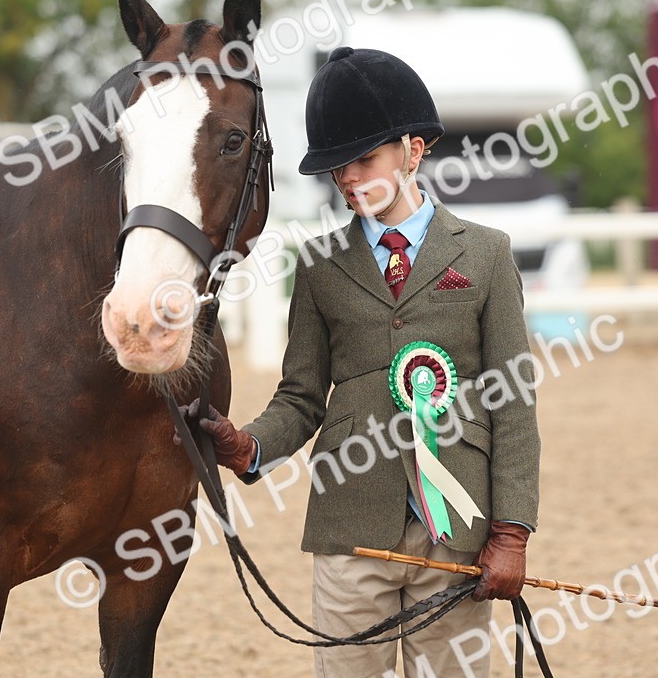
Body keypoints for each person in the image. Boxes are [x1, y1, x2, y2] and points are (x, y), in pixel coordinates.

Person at [186, 46, 540, 677]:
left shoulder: (485, 256)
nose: (347, 179)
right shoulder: (320, 267)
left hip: (458, 528)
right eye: (336, 170)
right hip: (350, 527)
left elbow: (512, 401)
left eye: (362, 161)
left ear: (413, 149)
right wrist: (249, 446)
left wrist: (511, 533)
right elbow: (300, 399)